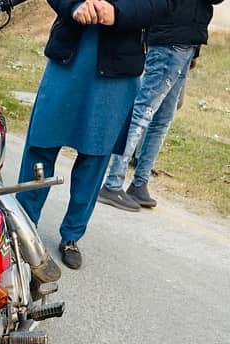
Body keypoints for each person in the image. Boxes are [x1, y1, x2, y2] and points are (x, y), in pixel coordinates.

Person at [16, 0, 170, 270]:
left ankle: (72, 235)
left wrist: (119, 13)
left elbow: (164, 4)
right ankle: (22, 227)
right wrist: (74, 5)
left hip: (118, 65)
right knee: (41, 144)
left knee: (95, 155)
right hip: (70, 53)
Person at [98, 0, 224, 211]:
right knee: (143, 112)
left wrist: (195, 49)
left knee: (162, 118)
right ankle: (113, 183)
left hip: (184, 41)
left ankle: (139, 183)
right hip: (171, 40)